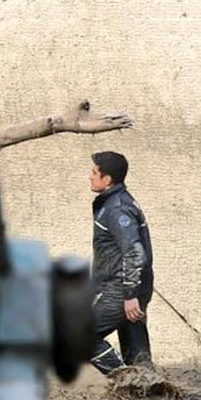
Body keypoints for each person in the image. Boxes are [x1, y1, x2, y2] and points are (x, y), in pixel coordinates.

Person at [88, 151, 155, 374]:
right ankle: (150, 388)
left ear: (107, 180)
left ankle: (126, 382)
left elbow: (134, 252)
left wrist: (129, 295)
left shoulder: (116, 208)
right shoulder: (118, 202)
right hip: (131, 284)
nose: (90, 176)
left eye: (94, 172)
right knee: (136, 349)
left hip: (123, 288)